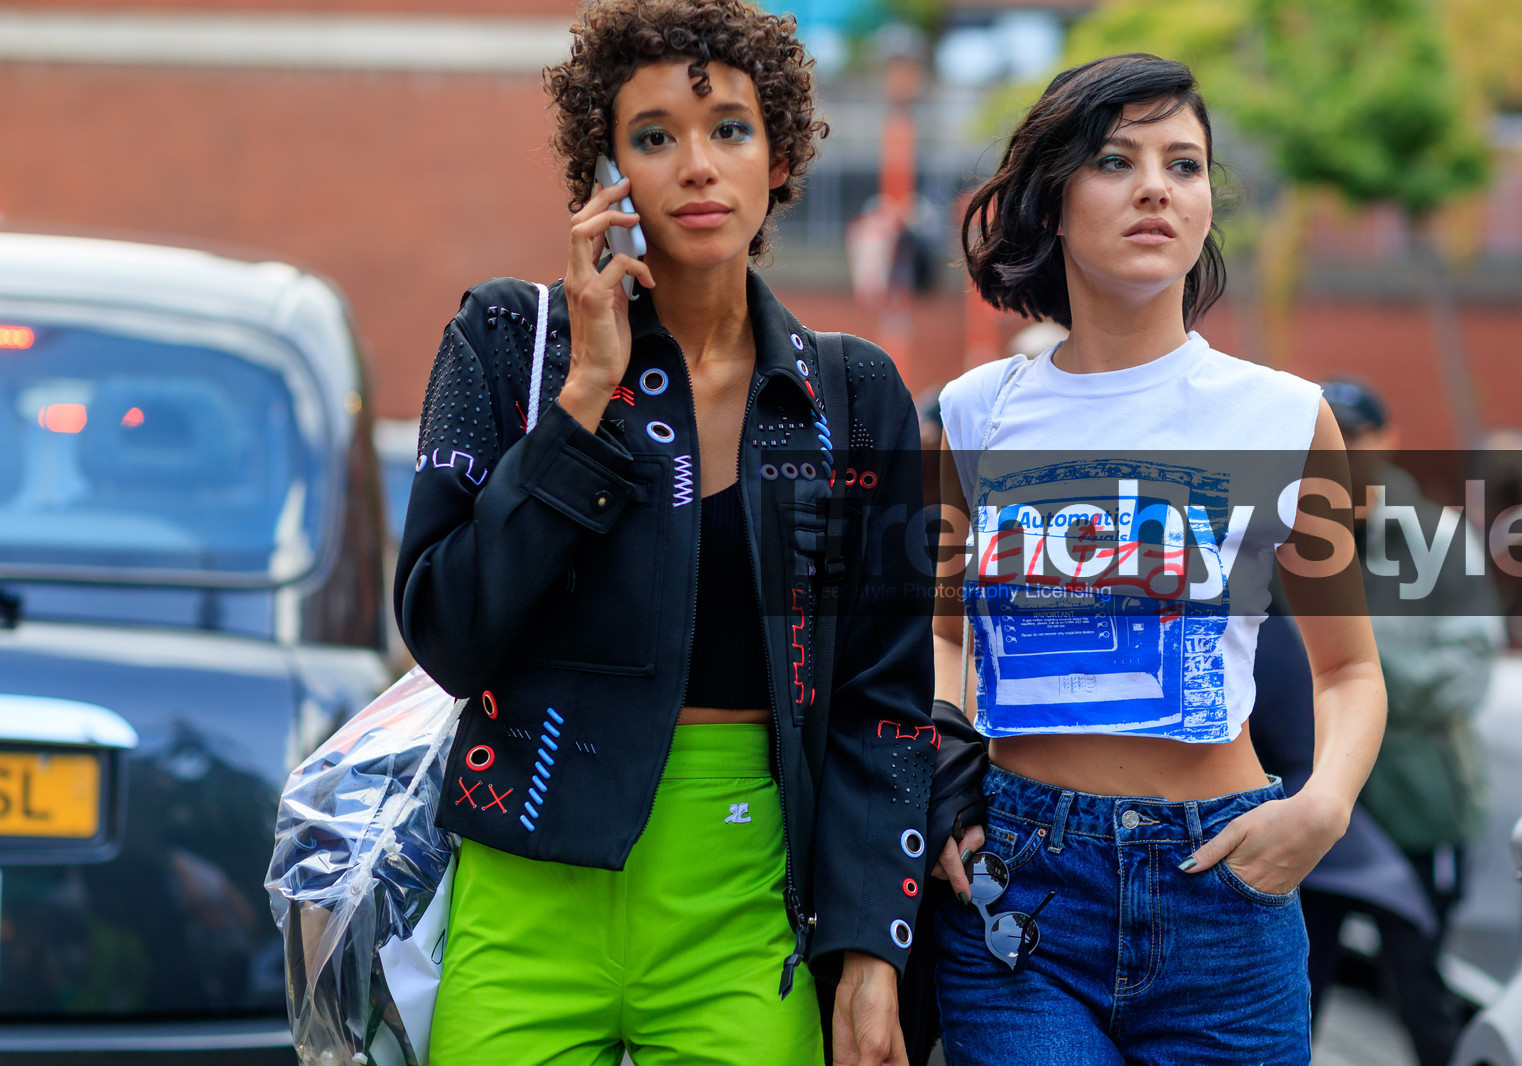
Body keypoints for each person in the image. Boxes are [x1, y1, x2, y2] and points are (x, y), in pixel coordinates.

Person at [393, 2, 935, 1062]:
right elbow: (446, 632)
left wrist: (874, 949)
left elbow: (883, 699)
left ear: (779, 158)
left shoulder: (852, 395)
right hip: (526, 886)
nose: (696, 164)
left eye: (729, 128)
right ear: (606, 172)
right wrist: (585, 396)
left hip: (741, 901)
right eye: (653, 136)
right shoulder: (511, 340)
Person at [925, 54, 1387, 1064]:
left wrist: (1321, 809)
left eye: (1184, 165)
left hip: (1225, 886)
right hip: (1022, 894)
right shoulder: (973, 412)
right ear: (1051, 201)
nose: (1153, 187)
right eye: (1113, 159)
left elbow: (1348, 670)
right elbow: (947, 640)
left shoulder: (1281, 413)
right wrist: (946, 798)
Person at [1300, 378, 1503, 1066]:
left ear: (1384, 441)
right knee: (1296, 988)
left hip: (1417, 807)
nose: (1339, 450)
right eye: (1327, 434)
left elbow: (1468, 674)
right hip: (1316, 803)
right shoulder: (1288, 535)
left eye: (1353, 436)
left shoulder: (1437, 536)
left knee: (1421, 989)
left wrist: (1356, 659)